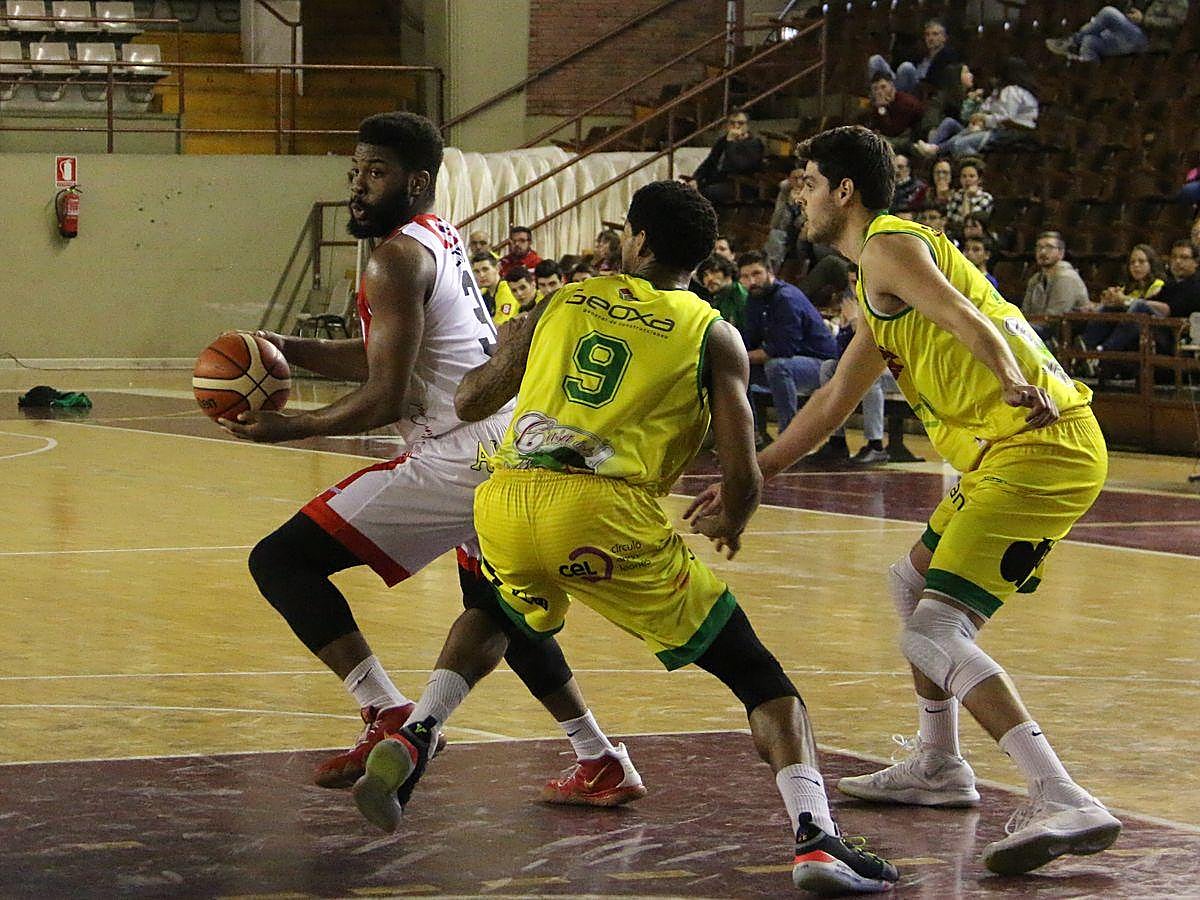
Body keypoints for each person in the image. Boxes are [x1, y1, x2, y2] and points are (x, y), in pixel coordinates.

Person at [350, 179, 900, 896]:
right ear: (700, 259)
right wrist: (732, 516)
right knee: (759, 677)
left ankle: (415, 734)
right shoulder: (714, 333)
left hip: (508, 500)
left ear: (637, 242)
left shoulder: (564, 300)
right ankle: (816, 838)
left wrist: (518, 339)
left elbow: (471, 399)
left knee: (497, 611)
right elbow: (742, 471)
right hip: (605, 512)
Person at [687, 125, 1122, 877]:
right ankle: (939, 765)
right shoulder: (878, 281)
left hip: (1036, 447)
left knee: (932, 633)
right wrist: (746, 479)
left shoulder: (890, 242)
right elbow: (829, 403)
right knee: (910, 583)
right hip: (1015, 453)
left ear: (845, 191)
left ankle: (1063, 795)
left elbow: (963, 313)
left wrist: (1010, 376)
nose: (799, 192)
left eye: (809, 180)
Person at [219, 112, 640, 806]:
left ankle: (386, 712)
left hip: (458, 454)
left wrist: (290, 428)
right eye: (354, 170)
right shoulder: (431, 237)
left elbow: (388, 394)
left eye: (374, 173)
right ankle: (600, 759)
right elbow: (395, 351)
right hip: (506, 441)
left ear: (414, 180)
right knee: (499, 609)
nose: (357, 186)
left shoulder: (393, 258)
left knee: (282, 560)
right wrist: (289, 348)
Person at [739, 250, 839, 433]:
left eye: (756, 274)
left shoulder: (786, 298)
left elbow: (782, 349)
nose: (751, 281)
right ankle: (751, 433)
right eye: (745, 277)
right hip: (793, 361)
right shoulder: (754, 299)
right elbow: (750, 341)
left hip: (823, 365)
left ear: (770, 272)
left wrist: (740, 356)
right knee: (737, 370)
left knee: (777, 366)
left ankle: (789, 432)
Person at [809, 264, 893, 464]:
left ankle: (876, 445)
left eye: (858, 282)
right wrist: (846, 327)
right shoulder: (853, 304)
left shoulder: (885, 302)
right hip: (868, 367)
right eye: (851, 282)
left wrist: (855, 321)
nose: (855, 288)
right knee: (829, 367)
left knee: (871, 375)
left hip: (898, 370)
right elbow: (843, 352)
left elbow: (879, 347)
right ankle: (837, 441)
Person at [1078, 244, 1165, 352]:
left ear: (1151, 264)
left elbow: (1146, 306)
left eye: (1141, 261)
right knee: (1106, 310)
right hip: (1122, 330)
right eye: (1132, 262)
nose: (1136, 265)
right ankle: (1086, 346)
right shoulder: (1128, 288)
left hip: (1148, 332)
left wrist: (1122, 299)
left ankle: (1103, 349)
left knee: (1136, 309)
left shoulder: (1159, 285)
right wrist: (1106, 301)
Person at [1046, 2, 1189, 61]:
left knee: (1108, 12)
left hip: (1147, 39)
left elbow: (1175, 25)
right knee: (1089, 41)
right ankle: (1090, 76)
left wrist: (1144, 19)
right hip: (1124, 34)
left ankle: (1072, 42)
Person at [684, 109, 764, 205]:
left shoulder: (753, 143)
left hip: (741, 184)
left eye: (740, 123)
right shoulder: (723, 140)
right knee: (686, 191)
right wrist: (696, 179)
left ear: (747, 126)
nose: (736, 126)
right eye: (732, 123)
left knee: (704, 194)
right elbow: (709, 162)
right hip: (717, 180)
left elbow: (739, 165)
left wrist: (731, 143)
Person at [1022, 231, 1092, 340]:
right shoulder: (1035, 279)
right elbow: (1025, 311)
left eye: (1049, 247)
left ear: (1061, 253)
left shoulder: (1066, 277)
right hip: (1036, 327)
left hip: (1058, 334)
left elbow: (1055, 316)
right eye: (1039, 248)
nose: (1043, 252)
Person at [868, 18, 962, 97]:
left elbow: (938, 82)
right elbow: (897, 67)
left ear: (944, 38)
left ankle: (891, 97)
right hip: (902, 83)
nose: (931, 38)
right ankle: (877, 96)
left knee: (906, 67)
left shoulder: (947, 55)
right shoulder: (921, 54)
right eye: (927, 35)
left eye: (935, 34)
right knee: (875, 60)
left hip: (918, 90)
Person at [944, 157, 994, 239]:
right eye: (964, 176)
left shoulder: (985, 197)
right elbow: (949, 220)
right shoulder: (956, 196)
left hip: (976, 236)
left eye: (971, 176)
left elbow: (968, 223)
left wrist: (966, 198)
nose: (967, 179)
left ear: (979, 179)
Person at [696, 253, 748, 332]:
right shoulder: (715, 300)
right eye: (705, 275)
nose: (709, 278)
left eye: (714, 271)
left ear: (727, 272)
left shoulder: (741, 295)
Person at [471, 252, 518, 323]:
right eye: (477, 271)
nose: (481, 275)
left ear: (497, 268)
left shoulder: (506, 290)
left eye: (485, 269)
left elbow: (501, 324)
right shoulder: (483, 291)